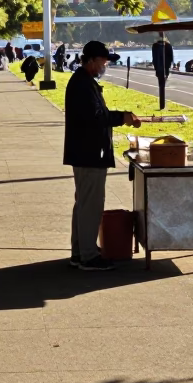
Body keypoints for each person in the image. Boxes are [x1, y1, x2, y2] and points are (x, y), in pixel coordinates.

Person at [63, 39, 140, 271]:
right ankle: (87, 256)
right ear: (92, 61)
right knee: (91, 206)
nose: (105, 65)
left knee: (84, 204)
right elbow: (97, 117)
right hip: (89, 153)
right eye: (104, 61)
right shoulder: (82, 85)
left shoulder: (84, 82)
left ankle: (81, 251)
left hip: (87, 152)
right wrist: (123, 117)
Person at [151, 33, 174, 109]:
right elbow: (171, 58)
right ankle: (162, 104)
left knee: (161, 84)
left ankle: (162, 103)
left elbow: (154, 58)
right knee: (162, 84)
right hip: (165, 68)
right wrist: (169, 66)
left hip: (159, 68)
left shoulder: (155, 46)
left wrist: (155, 67)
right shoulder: (168, 45)